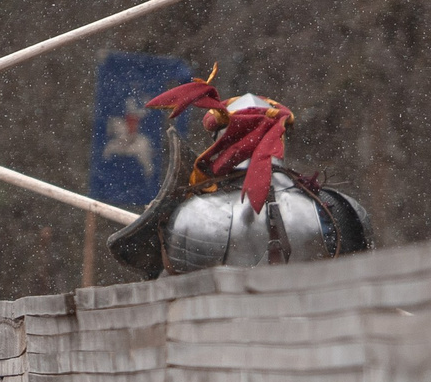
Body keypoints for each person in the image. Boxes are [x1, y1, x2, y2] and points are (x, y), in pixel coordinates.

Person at [105, 69, 373, 277]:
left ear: (220, 137)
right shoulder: (341, 210)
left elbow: (174, 297)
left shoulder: (195, 217)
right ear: (282, 133)